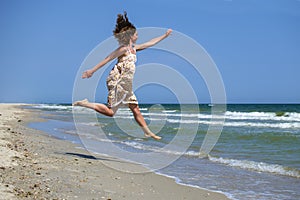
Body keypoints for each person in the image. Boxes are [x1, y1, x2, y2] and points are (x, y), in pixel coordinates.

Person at [73, 12, 172, 140]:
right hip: (117, 81)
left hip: (126, 83)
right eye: (136, 34)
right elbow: (107, 59)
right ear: (130, 36)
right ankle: (85, 104)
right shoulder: (123, 49)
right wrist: (92, 71)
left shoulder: (134, 48)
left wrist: (164, 36)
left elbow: (150, 43)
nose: (137, 36)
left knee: (135, 108)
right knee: (111, 112)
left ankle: (147, 132)